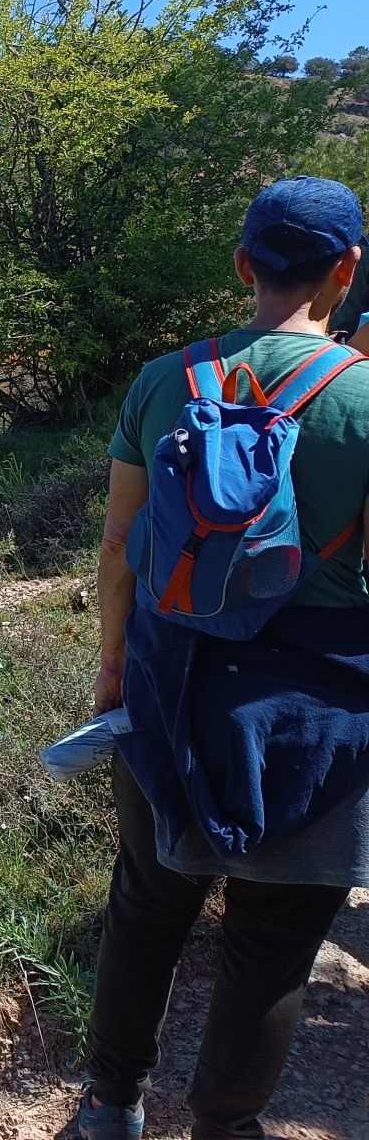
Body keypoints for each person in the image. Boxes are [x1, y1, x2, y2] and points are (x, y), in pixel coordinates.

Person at [80, 176, 369, 1140]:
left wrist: (116, 673)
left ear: (243, 264)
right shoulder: (365, 399)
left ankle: (110, 1110)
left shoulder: (165, 381)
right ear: (348, 270)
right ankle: (222, 1128)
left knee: (148, 905)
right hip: (315, 708)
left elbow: (120, 553)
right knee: (273, 944)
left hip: (170, 683)